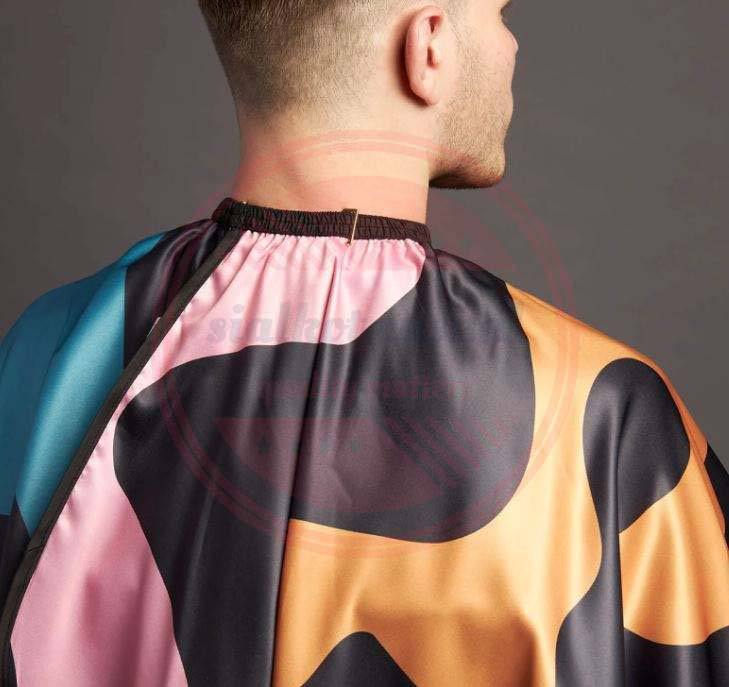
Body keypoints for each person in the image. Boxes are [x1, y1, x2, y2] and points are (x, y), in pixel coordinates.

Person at [0, 1, 726, 685]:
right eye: (499, 13)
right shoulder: (608, 418)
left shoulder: (44, 354)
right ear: (428, 46)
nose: (510, 45)